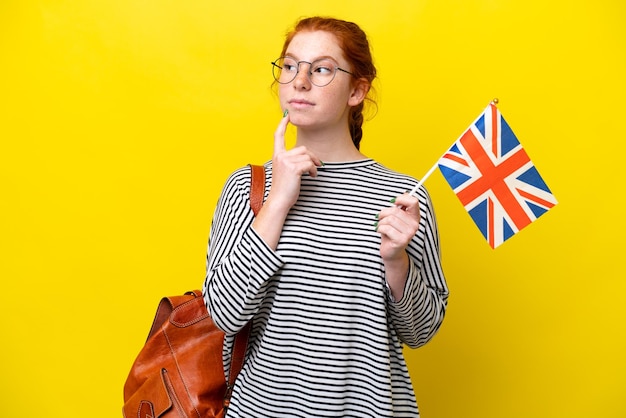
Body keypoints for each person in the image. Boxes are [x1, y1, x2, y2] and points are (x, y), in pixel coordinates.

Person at [203, 16, 449, 418]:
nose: (299, 81)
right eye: (289, 66)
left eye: (321, 69)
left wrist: (397, 262)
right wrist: (278, 201)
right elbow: (225, 313)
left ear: (357, 89)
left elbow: (421, 332)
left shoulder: (401, 196)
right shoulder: (249, 187)